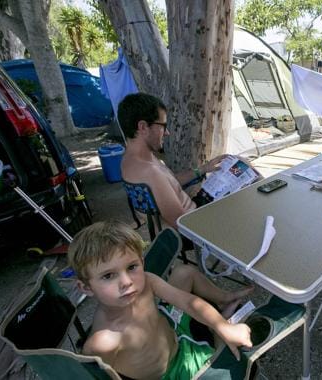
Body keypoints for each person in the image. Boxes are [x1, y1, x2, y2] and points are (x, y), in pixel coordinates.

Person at [69, 221, 254, 379]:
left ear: (141, 262)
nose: (126, 282)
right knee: (234, 354)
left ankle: (223, 301)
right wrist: (222, 330)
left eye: (132, 267)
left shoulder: (147, 281)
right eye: (108, 276)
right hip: (178, 371)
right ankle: (218, 332)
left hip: (176, 332)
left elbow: (189, 303)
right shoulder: (104, 341)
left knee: (184, 272)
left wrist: (224, 326)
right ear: (86, 288)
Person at [119, 92, 245, 231]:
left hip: (194, 210)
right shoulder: (149, 172)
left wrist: (203, 169)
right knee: (245, 188)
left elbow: (169, 183)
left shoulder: (130, 160)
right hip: (195, 223)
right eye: (163, 125)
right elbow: (184, 226)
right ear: (143, 127)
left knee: (238, 165)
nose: (167, 133)